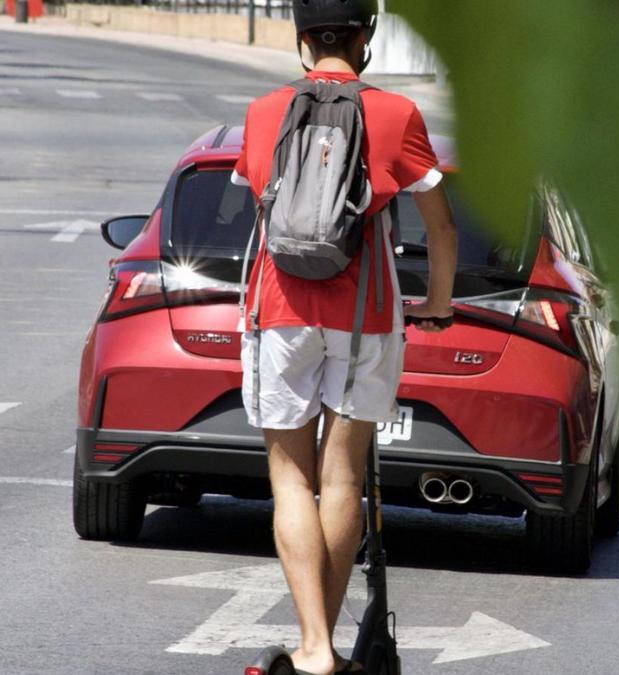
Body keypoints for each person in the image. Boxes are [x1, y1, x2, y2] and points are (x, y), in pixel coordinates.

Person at [231, 1, 457, 672]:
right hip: (367, 315)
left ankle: (315, 648)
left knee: (290, 478)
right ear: (366, 39)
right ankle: (317, 646)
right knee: (343, 475)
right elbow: (440, 226)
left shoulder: (264, 112)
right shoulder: (395, 114)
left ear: (301, 38)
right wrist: (436, 303)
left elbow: (265, 210)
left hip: (281, 308)